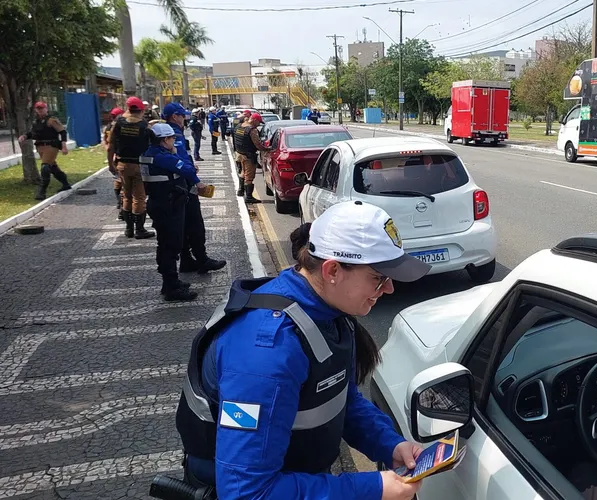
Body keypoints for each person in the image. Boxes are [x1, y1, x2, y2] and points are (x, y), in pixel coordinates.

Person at [174, 200, 431, 500]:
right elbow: (246, 493)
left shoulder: (330, 312)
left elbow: (340, 399)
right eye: (379, 278)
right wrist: (372, 489)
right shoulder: (266, 353)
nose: (389, 290)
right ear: (332, 270)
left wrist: (389, 444)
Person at [161, 102, 227, 276]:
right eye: (182, 115)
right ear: (175, 116)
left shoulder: (166, 133)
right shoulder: (173, 134)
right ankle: (201, 259)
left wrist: (191, 164)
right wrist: (197, 181)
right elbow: (180, 162)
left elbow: (183, 158)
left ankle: (187, 260)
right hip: (183, 186)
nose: (184, 118)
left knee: (183, 226)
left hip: (171, 190)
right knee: (195, 224)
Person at [141, 123, 205, 302]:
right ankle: (171, 287)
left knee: (166, 244)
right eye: (171, 139)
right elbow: (187, 169)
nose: (174, 141)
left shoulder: (148, 154)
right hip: (168, 205)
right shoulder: (163, 157)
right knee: (171, 245)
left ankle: (169, 282)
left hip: (160, 203)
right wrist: (179, 158)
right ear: (163, 140)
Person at [109, 96, 155, 239]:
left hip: (122, 164)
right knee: (139, 197)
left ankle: (129, 228)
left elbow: (110, 146)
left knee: (126, 195)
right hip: (138, 165)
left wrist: (111, 164)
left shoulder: (118, 123)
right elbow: (152, 144)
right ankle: (139, 229)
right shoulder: (144, 126)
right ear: (141, 110)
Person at [17, 101, 72, 200]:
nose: (40, 111)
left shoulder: (51, 120)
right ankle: (66, 184)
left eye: (42, 108)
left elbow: (62, 132)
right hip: (40, 147)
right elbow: (32, 133)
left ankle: (42, 192)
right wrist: (24, 136)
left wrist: (64, 146)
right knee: (52, 167)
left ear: (46, 109)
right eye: (38, 109)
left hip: (51, 146)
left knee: (45, 168)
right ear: (35, 110)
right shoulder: (36, 122)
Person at [232, 112, 265, 203]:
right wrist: (267, 149)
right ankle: (249, 197)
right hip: (249, 156)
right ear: (254, 120)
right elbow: (258, 145)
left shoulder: (239, 126)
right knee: (249, 177)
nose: (258, 125)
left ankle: (241, 190)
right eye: (258, 122)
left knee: (243, 172)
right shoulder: (252, 130)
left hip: (240, 154)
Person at [102, 107, 126, 217]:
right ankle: (122, 207)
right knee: (124, 184)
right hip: (121, 156)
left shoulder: (109, 126)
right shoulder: (120, 126)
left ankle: (120, 204)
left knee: (118, 181)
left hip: (115, 156)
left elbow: (105, 142)